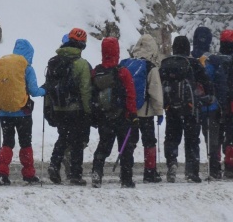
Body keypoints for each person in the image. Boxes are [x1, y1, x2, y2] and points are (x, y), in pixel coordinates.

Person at [0, 39, 46, 185]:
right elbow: (34, 91)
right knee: (25, 142)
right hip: (23, 113)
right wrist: (45, 90)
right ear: (29, 54)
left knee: (7, 142)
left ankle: (2, 173)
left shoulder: (5, 66)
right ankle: (28, 174)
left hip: (4, 113)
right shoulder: (27, 68)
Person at [43, 28, 93, 185]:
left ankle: (54, 164)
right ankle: (75, 175)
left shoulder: (53, 62)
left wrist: (49, 108)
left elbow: (48, 87)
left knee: (63, 138)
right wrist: (88, 111)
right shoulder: (82, 64)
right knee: (77, 142)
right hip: (76, 109)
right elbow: (85, 90)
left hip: (58, 107)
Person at [89, 36, 138, 187]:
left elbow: (92, 93)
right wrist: (133, 114)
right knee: (126, 148)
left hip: (104, 116)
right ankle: (126, 179)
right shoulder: (122, 72)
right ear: (117, 51)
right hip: (122, 116)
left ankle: (97, 172)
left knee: (103, 146)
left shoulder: (96, 72)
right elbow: (130, 94)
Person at [120, 35, 164, 185]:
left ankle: (127, 171)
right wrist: (159, 111)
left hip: (129, 111)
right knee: (149, 141)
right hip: (146, 112)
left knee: (130, 141)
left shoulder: (126, 64)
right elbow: (155, 91)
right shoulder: (151, 67)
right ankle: (150, 172)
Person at [160, 36, 201, 182]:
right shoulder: (194, 63)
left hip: (171, 108)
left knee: (171, 137)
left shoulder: (166, 64)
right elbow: (206, 82)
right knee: (192, 139)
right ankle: (191, 171)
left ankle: (171, 163)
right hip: (190, 108)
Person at [212, 29, 233, 178]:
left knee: (217, 137)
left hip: (217, 104)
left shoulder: (215, 60)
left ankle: (215, 167)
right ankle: (230, 168)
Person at [192, 26, 224, 179]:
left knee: (193, 139)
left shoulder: (190, 58)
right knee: (212, 139)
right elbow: (220, 83)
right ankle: (214, 168)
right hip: (211, 105)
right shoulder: (214, 60)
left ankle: (193, 169)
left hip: (193, 105)